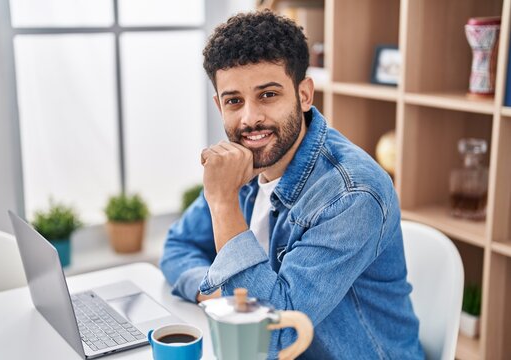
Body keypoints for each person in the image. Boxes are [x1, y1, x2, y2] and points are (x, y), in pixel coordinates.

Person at [160, 10, 423, 359]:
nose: (250, 118)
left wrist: (223, 203)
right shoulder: (245, 162)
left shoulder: (351, 193)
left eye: (267, 95)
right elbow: (177, 247)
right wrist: (220, 294)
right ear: (218, 105)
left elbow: (271, 337)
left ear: (304, 95)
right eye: (234, 101)